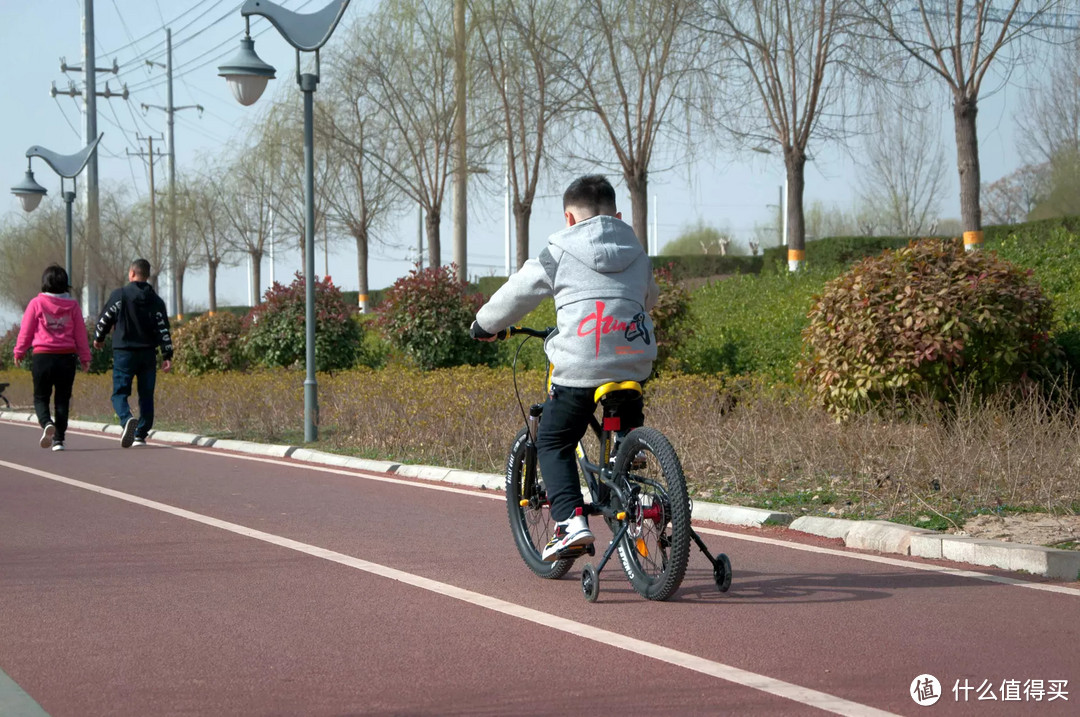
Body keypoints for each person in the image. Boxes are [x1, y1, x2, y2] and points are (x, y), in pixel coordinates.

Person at [470, 175, 658, 561]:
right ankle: (628, 450)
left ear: (569, 220)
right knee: (623, 422)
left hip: (581, 366)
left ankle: (570, 523)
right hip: (633, 364)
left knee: (554, 440)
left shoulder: (559, 249)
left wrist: (485, 324)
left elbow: (518, 292)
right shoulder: (637, 252)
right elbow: (649, 298)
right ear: (618, 215)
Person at [93, 258, 173, 448]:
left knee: (119, 392)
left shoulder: (120, 295)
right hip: (148, 354)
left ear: (131, 273)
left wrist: (99, 338)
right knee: (146, 394)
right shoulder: (156, 301)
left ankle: (126, 418)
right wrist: (167, 354)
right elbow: (163, 328)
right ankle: (140, 434)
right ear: (147, 275)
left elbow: (105, 318)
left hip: (124, 352)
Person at [13, 264, 92, 452]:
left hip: (42, 357)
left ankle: (46, 422)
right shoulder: (73, 305)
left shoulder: (36, 304)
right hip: (66, 358)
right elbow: (80, 333)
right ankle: (59, 440)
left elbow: (26, 331)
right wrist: (85, 357)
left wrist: (19, 351)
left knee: (41, 397)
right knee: (62, 399)